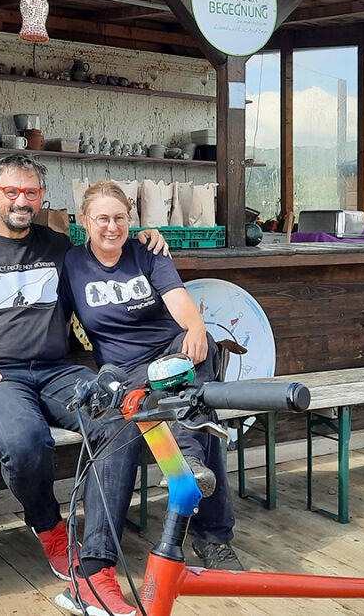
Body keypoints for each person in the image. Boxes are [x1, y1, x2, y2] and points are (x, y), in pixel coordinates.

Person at [0, 156, 166, 616]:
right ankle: (48, 525)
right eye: (12, 192)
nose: (22, 201)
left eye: (31, 192)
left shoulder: (60, 245)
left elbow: (108, 243)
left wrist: (144, 237)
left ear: (42, 196)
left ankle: (97, 571)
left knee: (121, 423)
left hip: (56, 369)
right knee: (23, 442)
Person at [63, 180, 243, 572]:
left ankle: (193, 471)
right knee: (200, 412)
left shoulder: (147, 251)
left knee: (200, 351)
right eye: (102, 219)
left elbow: (178, 300)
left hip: (172, 356)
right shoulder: (71, 262)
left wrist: (195, 327)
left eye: (120, 218)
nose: (112, 227)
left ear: (131, 219)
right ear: (84, 221)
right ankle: (213, 537)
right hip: (126, 374)